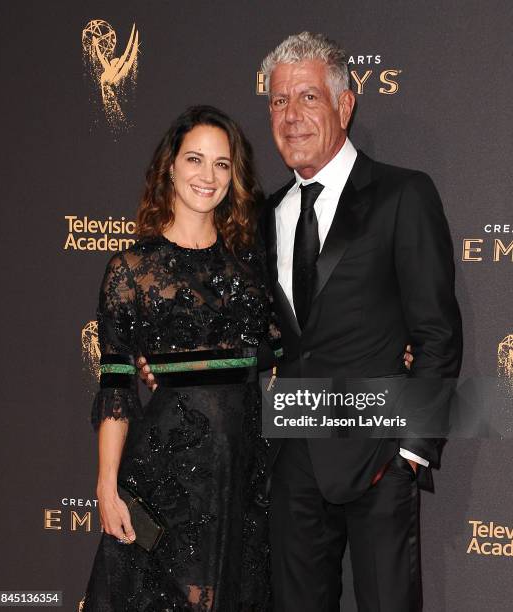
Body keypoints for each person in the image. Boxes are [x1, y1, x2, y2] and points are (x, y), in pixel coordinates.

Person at [140, 32, 462, 611]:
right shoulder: (263, 216)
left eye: (307, 98)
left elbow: (437, 333)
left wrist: (411, 452)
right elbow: (253, 334)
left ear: (344, 105)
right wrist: (169, 363)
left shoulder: (402, 196)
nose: (290, 117)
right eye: (278, 101)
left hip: (377, 460)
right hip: (289, 466)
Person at [82, 105, 282, 611]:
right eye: (195, 159)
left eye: (221, 163)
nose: (207, 176)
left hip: (242, 473)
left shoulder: (250, 267)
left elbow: (285, 349)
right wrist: (107, 487)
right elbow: (116, 387)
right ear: (170, 166)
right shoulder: (131, 271)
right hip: (167, 474)